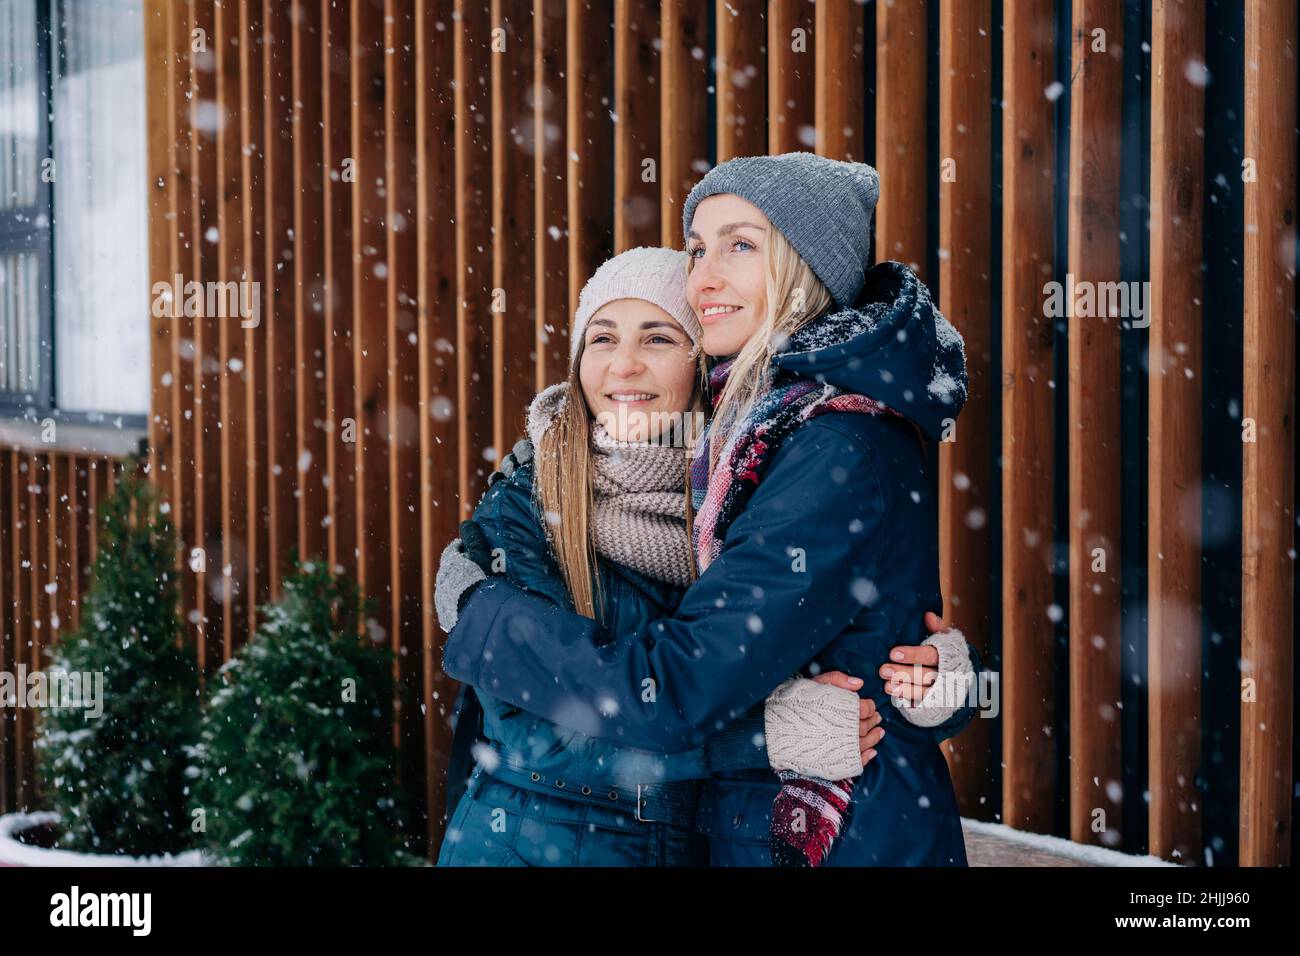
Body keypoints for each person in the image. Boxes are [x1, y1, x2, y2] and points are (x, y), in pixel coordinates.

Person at [436, 242, 980, 866]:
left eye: (659, 339)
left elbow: (840, 678)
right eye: (602, 338)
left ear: (703, 366)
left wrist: (936, 685)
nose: (625, 365)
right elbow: (529, 731)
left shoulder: (744, 495)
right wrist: (758, 737)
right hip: (535, 846)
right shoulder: (527, 504)